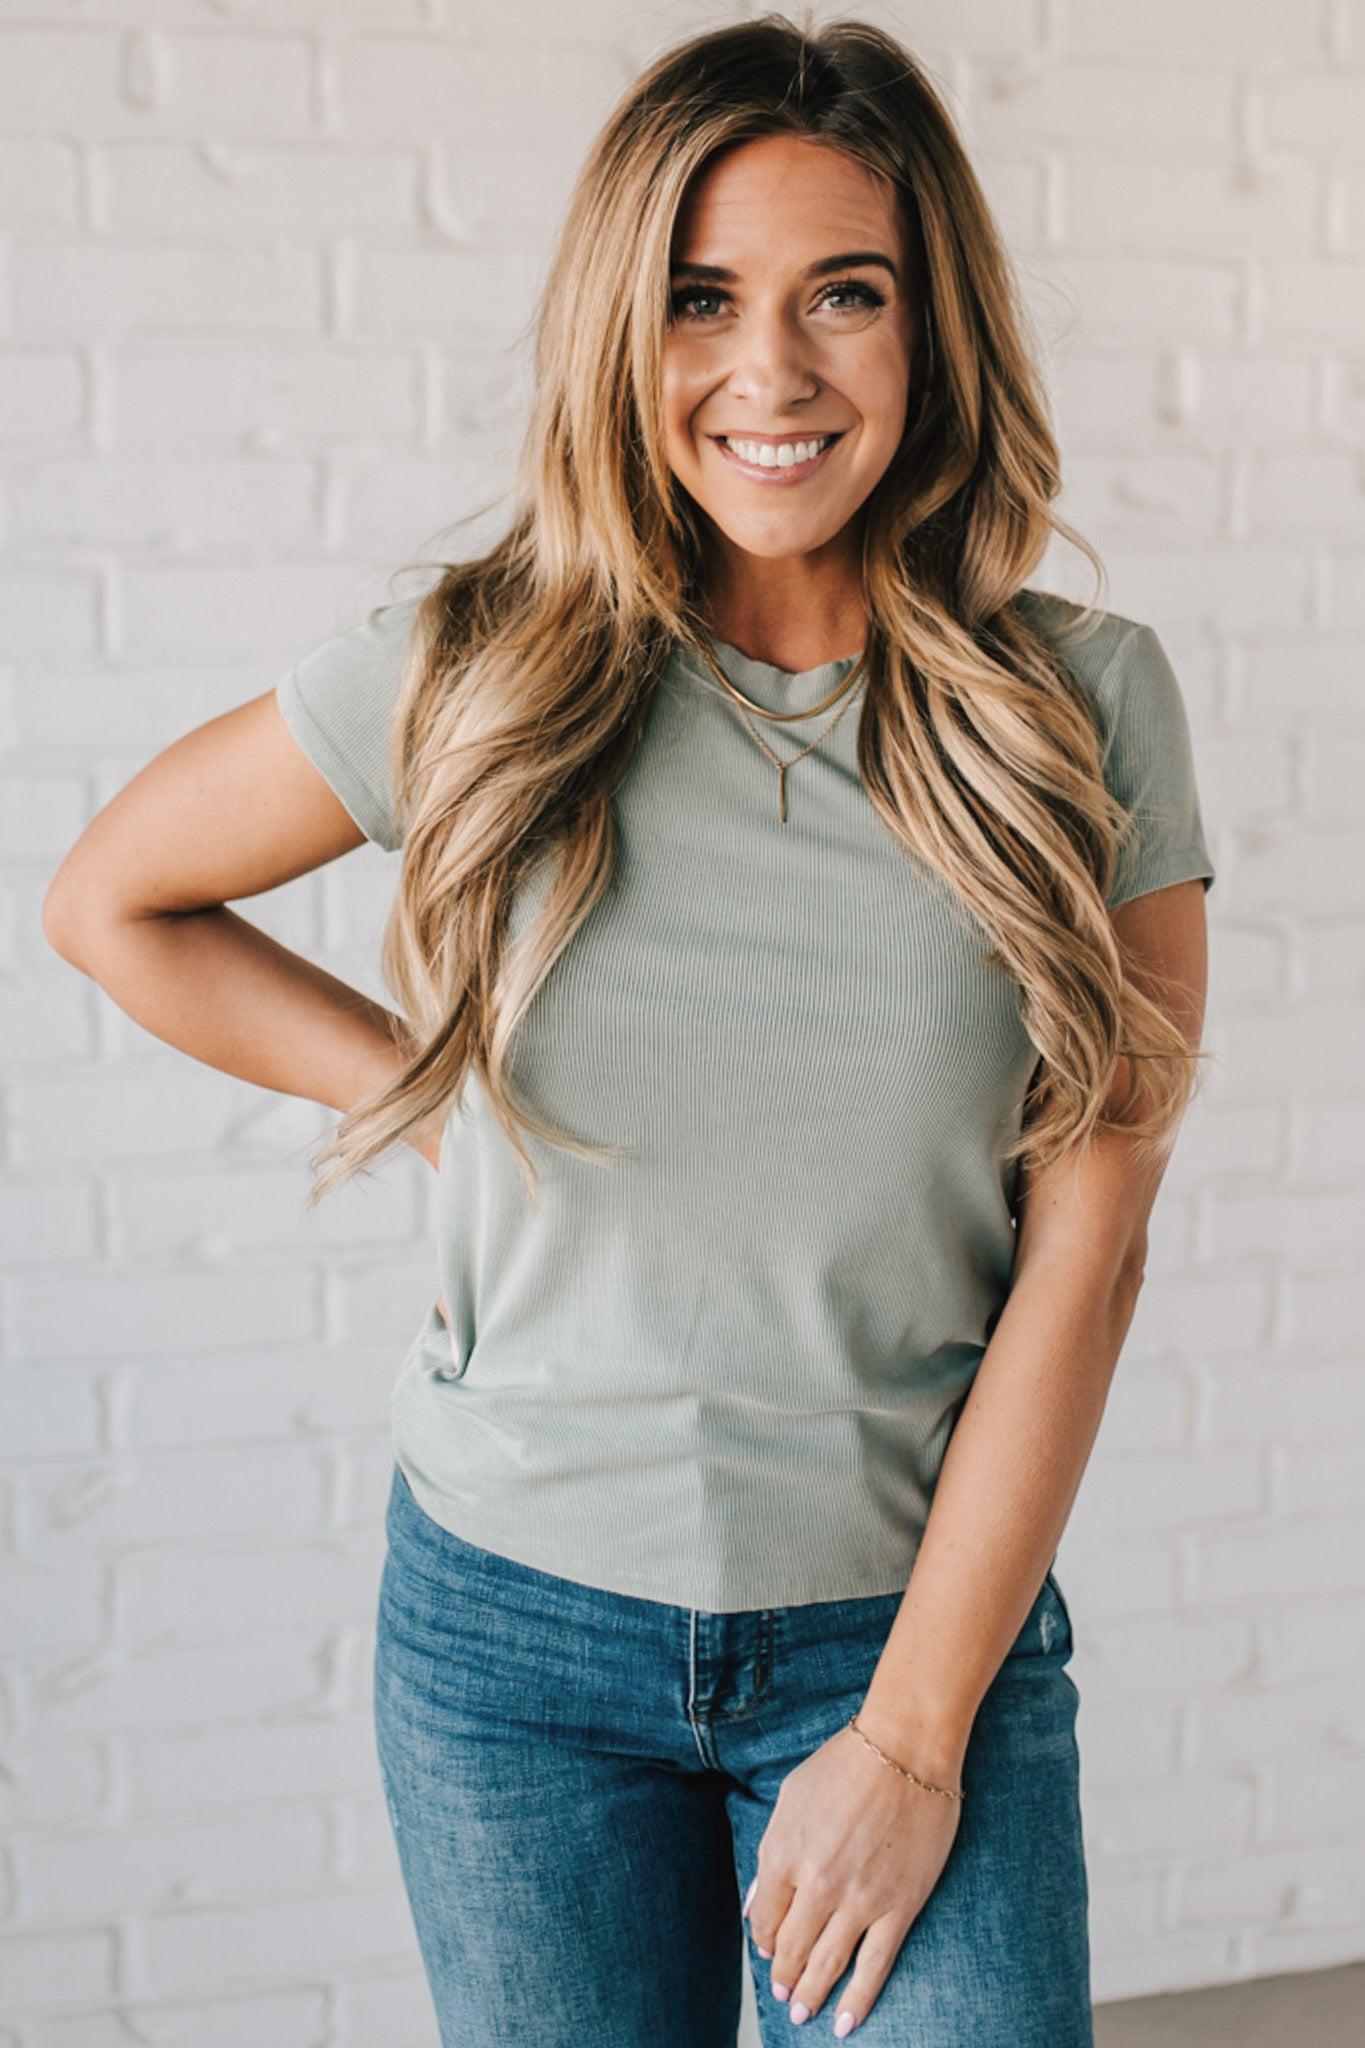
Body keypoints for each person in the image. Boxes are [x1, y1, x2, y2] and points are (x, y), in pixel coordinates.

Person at [42, 14, 1216, 2046]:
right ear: (621, 330)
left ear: (932, 329)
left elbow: (1086, 1253)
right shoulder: (471, 671)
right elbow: (113, 903)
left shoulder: (1077, 712)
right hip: (510, 1644)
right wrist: (433, 1104)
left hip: (904, 1628)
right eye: (699, 300)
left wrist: (914, 1738)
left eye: (843, 297)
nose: (768, 374)